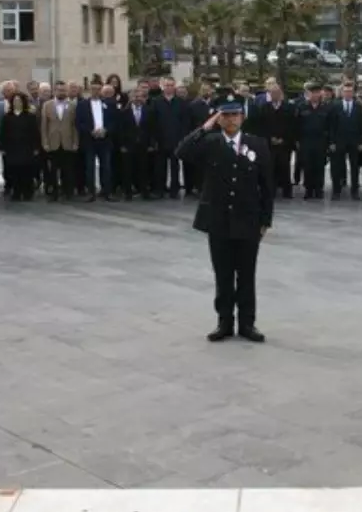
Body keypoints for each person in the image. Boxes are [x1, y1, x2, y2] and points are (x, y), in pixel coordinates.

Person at [176, 90, 274, 342]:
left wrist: (265, 220)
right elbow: (182, 152)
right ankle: (224, 322)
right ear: (219, 118)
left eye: (235, 115)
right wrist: (205, 127)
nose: (231, 120)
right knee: (223, 275)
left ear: (243, 117)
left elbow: (267, 186)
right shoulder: (210, 143)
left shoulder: (257, 144)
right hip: (218, 220)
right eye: (226, 115)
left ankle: (247, 324)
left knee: (246, 275)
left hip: (248, 220)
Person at [77, 77, 116, 202]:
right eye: (94, 89)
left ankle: (107, 191)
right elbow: (79, 122)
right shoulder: (83, 104)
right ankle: (91, 192)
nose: (96, 91)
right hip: (90, 140)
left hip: (104, 140)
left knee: (106, 166)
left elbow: (113, 121)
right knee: (89, 167)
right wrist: (90, 131)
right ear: (90, 90)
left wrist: (106, 130)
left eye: (99, 89)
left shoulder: (109, 104)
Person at [117, 87, 158, 201]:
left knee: (143, 169)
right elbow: (120, 130)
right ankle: (128, 192)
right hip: (128, 145)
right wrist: (122, 145)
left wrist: (152, 144)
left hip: (144, 145)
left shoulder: (149, 111)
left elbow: (153, 129)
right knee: (128, 170)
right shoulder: (124, 112)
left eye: (139, 96)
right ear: (130, 98)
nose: (137, 99)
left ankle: (145, 191)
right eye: (135, 96)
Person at [40, 81, 78, 201]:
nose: (61, 92)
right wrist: (45, 142)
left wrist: (75, 142)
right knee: (53, 170)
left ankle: (68, 192)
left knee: (68, 169)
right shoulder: (47, 105)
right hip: (53, 142)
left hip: (67, 142)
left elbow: (74, 126)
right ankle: (54, 193)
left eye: (63, 90)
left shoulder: (72, 105)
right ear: (54, 91)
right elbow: (44, 125)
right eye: (59, 90)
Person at [0, 92, 41, 201]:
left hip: (27, 148)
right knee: (14, 170)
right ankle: (16, 192)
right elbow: (2, 133)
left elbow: (35, 133)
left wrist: (36, 147)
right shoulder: (7, 117)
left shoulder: (30, 116)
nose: (17, 103)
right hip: (12, 148)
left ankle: (27, 192)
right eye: (15, 101)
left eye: (19, 101)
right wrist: (2, 147)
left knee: (27, 170)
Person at [329, 82, 362, 200]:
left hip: (354, 141)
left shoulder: (358, 106)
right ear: (342, 93)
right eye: (345, 91)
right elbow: (331, 126)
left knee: (354, 167)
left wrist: (361, 142)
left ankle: (354, 190)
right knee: (337, 167)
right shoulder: (335, 106)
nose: (348, 93)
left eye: (350, 91)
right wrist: (332, 142)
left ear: (353, 93)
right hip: (339, 141)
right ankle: (336, 191)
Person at [296, 83, 332, 200]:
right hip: (306, 141)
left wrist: (329, 142)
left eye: (317, 93)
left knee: (319, 166)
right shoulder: (302, 107)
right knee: (307, 166)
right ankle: (308, 189)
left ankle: (318, 189)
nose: (315, 95)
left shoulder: (326, 108)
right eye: (312, 93)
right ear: (308, 94)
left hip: (321, 141)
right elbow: (296, 125)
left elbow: (330, 126)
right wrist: (297, 140)